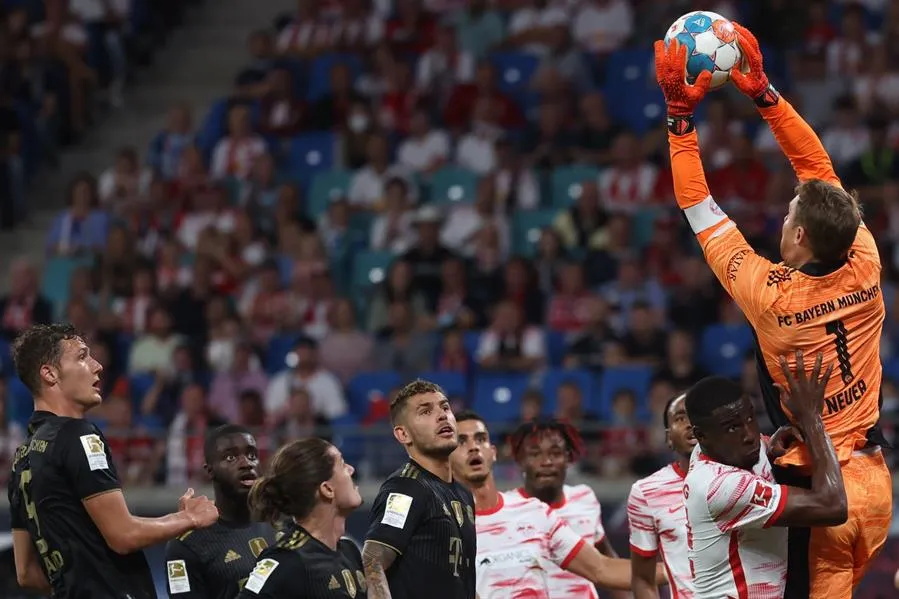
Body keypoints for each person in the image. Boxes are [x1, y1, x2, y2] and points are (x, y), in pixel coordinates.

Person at [655, 22, 892, 598]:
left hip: (816, 485)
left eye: (788, 217)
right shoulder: (865, 258)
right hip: (875, 484)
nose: (782, 219)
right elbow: (817, 170)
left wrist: (679, 121)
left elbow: (698, 205)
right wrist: (763, 92)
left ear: (802, 235)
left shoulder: (768, 295)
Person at [7, 323, 219, 597]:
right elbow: (123, 535)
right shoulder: (78, 435)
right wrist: (189, 517)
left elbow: (25, 573)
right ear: (49, 373)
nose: (97, 366)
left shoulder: (21, 458)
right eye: (82, 356)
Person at [450, 410, 668, 597]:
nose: (473, 447)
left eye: (480, 439)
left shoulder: (534, 512)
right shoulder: (445, 527)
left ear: (493, 452)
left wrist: (675, 568)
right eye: (461, 441)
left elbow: (603, 567)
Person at [683, 352, 848, 599]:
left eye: (750, 418)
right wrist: (811, 417)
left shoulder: (717, 450)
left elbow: (760, 446)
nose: (750, 434)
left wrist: (774, 445)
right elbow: (833, 506)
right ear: (701, 436)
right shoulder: (719, 486)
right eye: (732, 427)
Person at [362, 379, 476, 599]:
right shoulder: (406, 488)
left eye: (445, 407)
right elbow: (372, 558)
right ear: (403, 434)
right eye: (425, 412)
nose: (442, 415)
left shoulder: (463, 494)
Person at [236, 437, 365, 598]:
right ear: (327, 489)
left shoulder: (350, 551)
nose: (351, 469)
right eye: (342, 463)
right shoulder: (287, 560)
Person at [164, 425, 277, 598]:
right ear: (210, 471)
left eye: (252, 455)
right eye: (231, 457)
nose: (246, 463)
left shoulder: (280, 524)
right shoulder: (187, 545)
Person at [509, 418, 618, 599]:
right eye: (535, 454)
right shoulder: (507, 509)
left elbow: (606, 559)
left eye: (555, 453)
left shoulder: (585, 499)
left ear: (568, 457)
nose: (546, 462)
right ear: (521, 460)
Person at [627, 393, 696, 597]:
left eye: (696, 416)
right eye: (680, 418)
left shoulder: (745, 478)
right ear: (668, 437)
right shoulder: (647, 493)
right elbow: (642, 579)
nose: (690, 424)